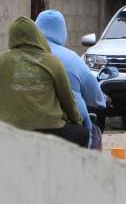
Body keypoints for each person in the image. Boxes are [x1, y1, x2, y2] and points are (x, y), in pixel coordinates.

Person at [0, 16, 89, 146]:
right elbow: (68, 100)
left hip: (9, 129)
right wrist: (77, 121)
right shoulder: (52, 62)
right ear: (38, 35)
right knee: (83, 134)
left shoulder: (2, 60)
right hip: (50, 128)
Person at [36, 9, 106, 148]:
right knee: (94, 133)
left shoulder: (18, 57)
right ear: (63, 32)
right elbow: (94, 96)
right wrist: (102, 100)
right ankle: (91, 169)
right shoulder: (71, 58)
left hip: (19, 125)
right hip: (61, 126)